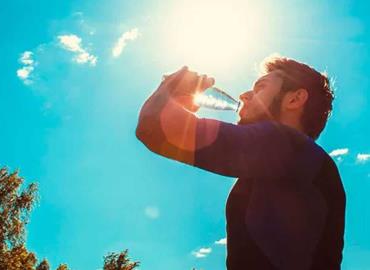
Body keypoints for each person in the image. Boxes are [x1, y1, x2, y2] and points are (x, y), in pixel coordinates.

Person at [136, 55, 346, 270]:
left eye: (260, 88)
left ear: (294, 99)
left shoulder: (286, 144)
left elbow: (155, 126)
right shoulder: (294, 160)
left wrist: (172, 85)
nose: (245, 95)